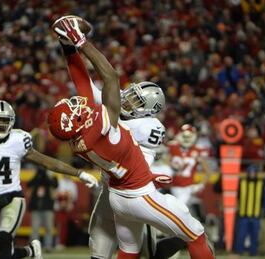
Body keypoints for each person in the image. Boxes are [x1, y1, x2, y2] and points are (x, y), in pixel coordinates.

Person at [49, 15, 214, 259]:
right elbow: (108, 80)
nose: (126, 97)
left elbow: (84, 84)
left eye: (135, 98)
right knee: (112, 247)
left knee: (129, 250)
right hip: (134, 191)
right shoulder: (109, 121)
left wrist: (67, 47)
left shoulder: (93, 128)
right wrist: (77, 40)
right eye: (130, 95)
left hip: (117, 189)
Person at [57, 35, 177, 258]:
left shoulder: (149, 126)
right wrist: (69, 49)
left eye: (138, 102)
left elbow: (117, 132)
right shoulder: (116, 107)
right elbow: (85, 84)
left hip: (134, 191)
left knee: (148, 254)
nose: (128, 100)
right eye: (132, 94)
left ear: (149, 111)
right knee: (98, 251)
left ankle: (182, 239)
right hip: (107, 189)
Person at [0, 100, 98, 259]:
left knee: (4, 237)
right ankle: (30, 251)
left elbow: (48, 162)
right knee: (1, 251)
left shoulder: (19, 140)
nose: (1, 125)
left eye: (5, 121)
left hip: (13, 197)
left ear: (12, 122)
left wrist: (79, 173)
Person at [167, 124, 211, 206]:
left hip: (187, 187)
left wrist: (201, 185)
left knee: (178, 209)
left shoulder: (198, 150)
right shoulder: (172, 147)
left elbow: (208, 170)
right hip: (172, 187)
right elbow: (164, 163)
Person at [235, 164, 265, 256]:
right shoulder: (242, 183)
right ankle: (239, 251)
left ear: (256, 173)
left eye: (254, 172)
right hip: (243, 214)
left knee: (255, 235)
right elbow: (236, 197)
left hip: (255, 215)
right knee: (241, 235)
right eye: (250, 172)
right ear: (248, 173)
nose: (252, 174)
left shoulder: (261, 184)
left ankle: (253, 252)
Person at [27, 167, 58, 252]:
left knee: (48, 228)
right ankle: (34, 247)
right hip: (36, 207)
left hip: (47, 207)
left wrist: (47, 176)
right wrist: (38, 175)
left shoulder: (51, 178)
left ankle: (48, 246)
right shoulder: (37, 178)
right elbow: (29, 184)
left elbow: (55, 184)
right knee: (35, 228)